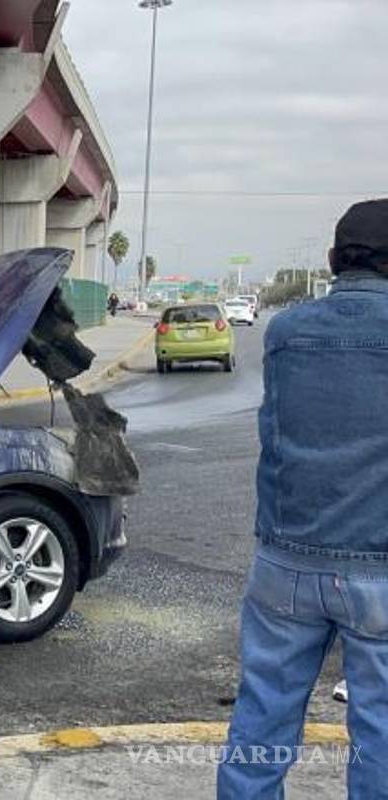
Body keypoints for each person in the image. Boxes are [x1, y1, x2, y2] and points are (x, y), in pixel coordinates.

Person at [218, 199, 388, 799]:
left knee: (260, 725)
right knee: (382, 735)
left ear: (333, 261)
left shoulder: (287, 332)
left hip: (286, 564)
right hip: (380, 570)